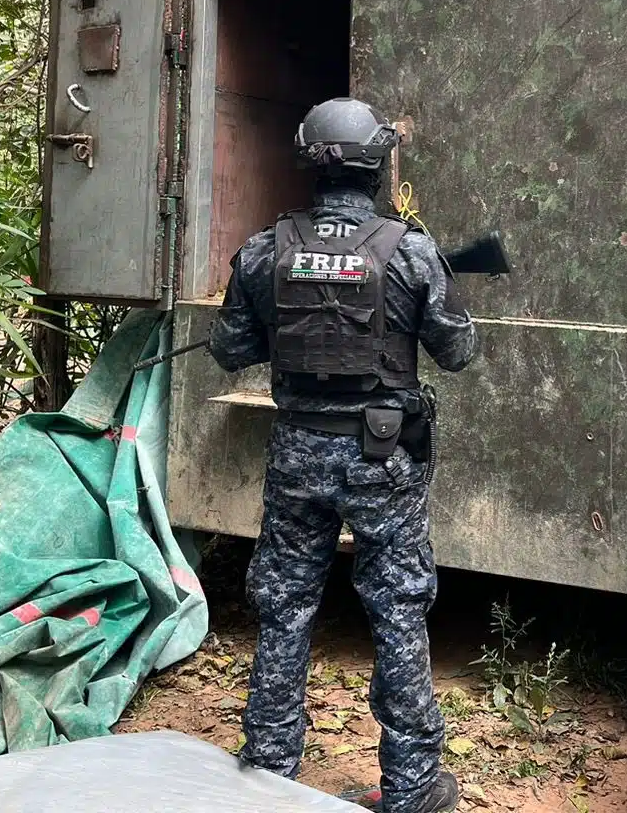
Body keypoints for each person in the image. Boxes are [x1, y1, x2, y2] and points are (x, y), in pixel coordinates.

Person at [210, 96, 477, 813]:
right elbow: (457, 352)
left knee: (285, 605)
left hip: (298, 455)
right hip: (382, 458)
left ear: (308, 160)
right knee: (397, 611)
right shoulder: (411, 250)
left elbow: (230, 349)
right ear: (378, 161)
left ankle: (267, 775)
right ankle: (413, 788)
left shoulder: (265, 250)